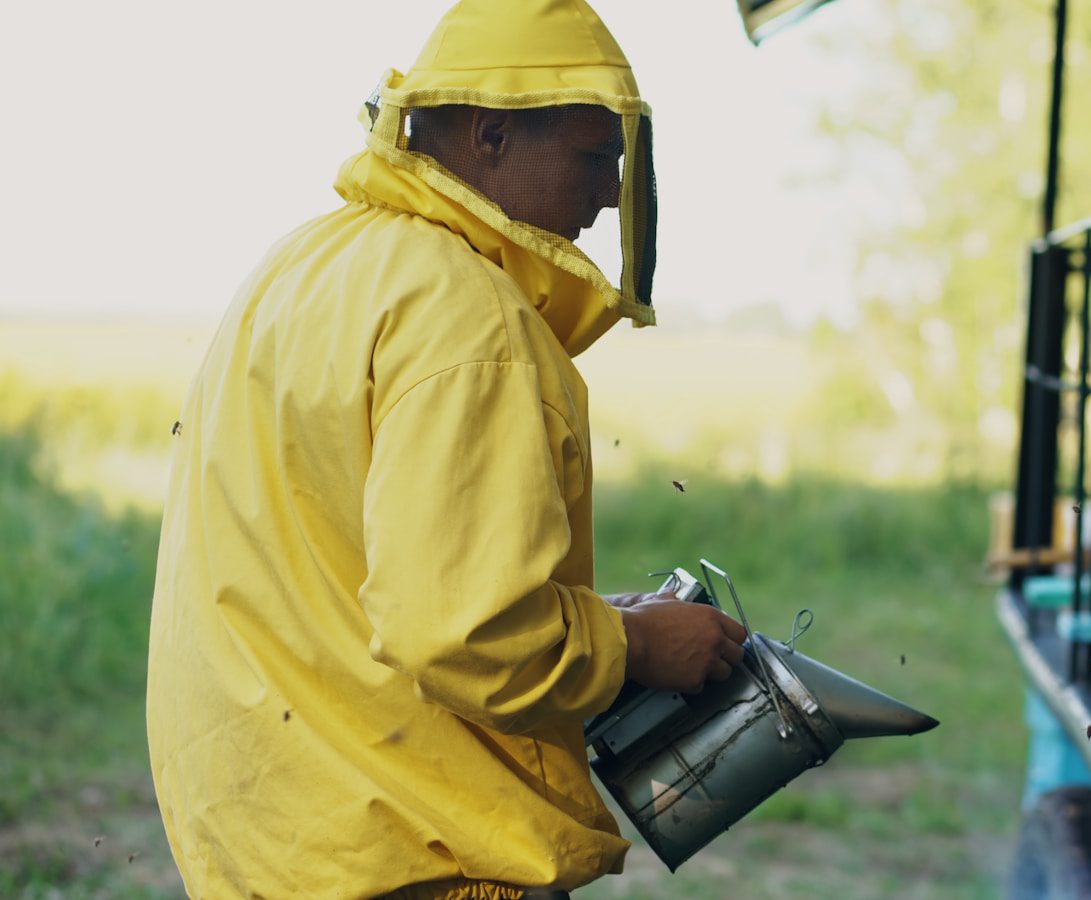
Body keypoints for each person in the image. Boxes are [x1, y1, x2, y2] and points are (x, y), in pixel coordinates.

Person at [145, 2, 747, 897]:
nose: (607, 195)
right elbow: (464, 632)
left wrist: (588, 618)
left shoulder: (303, 266)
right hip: (414, 844)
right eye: (592, 158)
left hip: (273, 838)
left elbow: (355, 568)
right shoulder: (468, 311)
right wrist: (635, 648)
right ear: (491, 134)